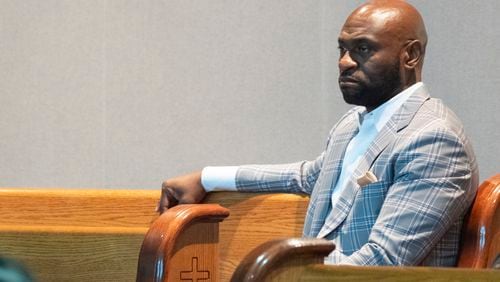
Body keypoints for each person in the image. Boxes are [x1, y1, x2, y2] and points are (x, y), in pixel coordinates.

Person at [157, 0, 478, 266]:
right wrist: (206, 177)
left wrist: (279, 271)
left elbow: (382, 263)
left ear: (410, 55)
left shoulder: (434, 139)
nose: (344, 62)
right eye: (342, 49)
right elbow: (306, 176)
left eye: (363, 49)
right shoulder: (352, 124)